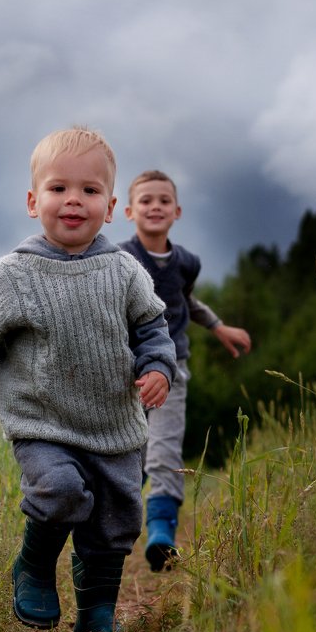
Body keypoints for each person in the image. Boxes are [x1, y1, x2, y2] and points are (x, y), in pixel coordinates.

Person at [0, 126, 176, 632]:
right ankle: (33, 567)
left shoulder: (125, 271)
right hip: (43, 424)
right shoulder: (14, 274)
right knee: (59, 489)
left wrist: (158, 368)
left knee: (116, 521)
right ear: (34, 201)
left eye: (89, 190)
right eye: (59, 188)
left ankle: (97, 614)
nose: (73, 200)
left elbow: (152, 328)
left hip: (115, 426)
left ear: (110, 206)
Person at [120, 169, 252, 572]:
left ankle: (161, 532)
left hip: (172, 372)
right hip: (125, 374)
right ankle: (114, 528)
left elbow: (186, 302)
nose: (155, 207)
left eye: (164, 200)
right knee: (129, 454)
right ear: (129, 211)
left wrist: (218, 326)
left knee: (164, 451)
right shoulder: (118, 259)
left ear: (177, 211)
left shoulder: (186, 263)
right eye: (146, 200)